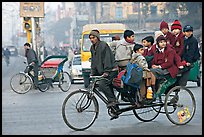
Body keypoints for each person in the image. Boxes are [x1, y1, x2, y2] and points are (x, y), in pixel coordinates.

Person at [89, 29, 119, 119]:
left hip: (111, 70)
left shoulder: (103, 45)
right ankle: (115, 108)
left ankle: (113, 101)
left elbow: (107, 59)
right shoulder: (92, 48)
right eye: (90, 38)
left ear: (97, 38)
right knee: (101, 84)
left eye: (93, 37)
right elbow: (94, 62)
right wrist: (93, 73)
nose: (91, 39)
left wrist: (106, 71)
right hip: (104, 71)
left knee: (103, 84)